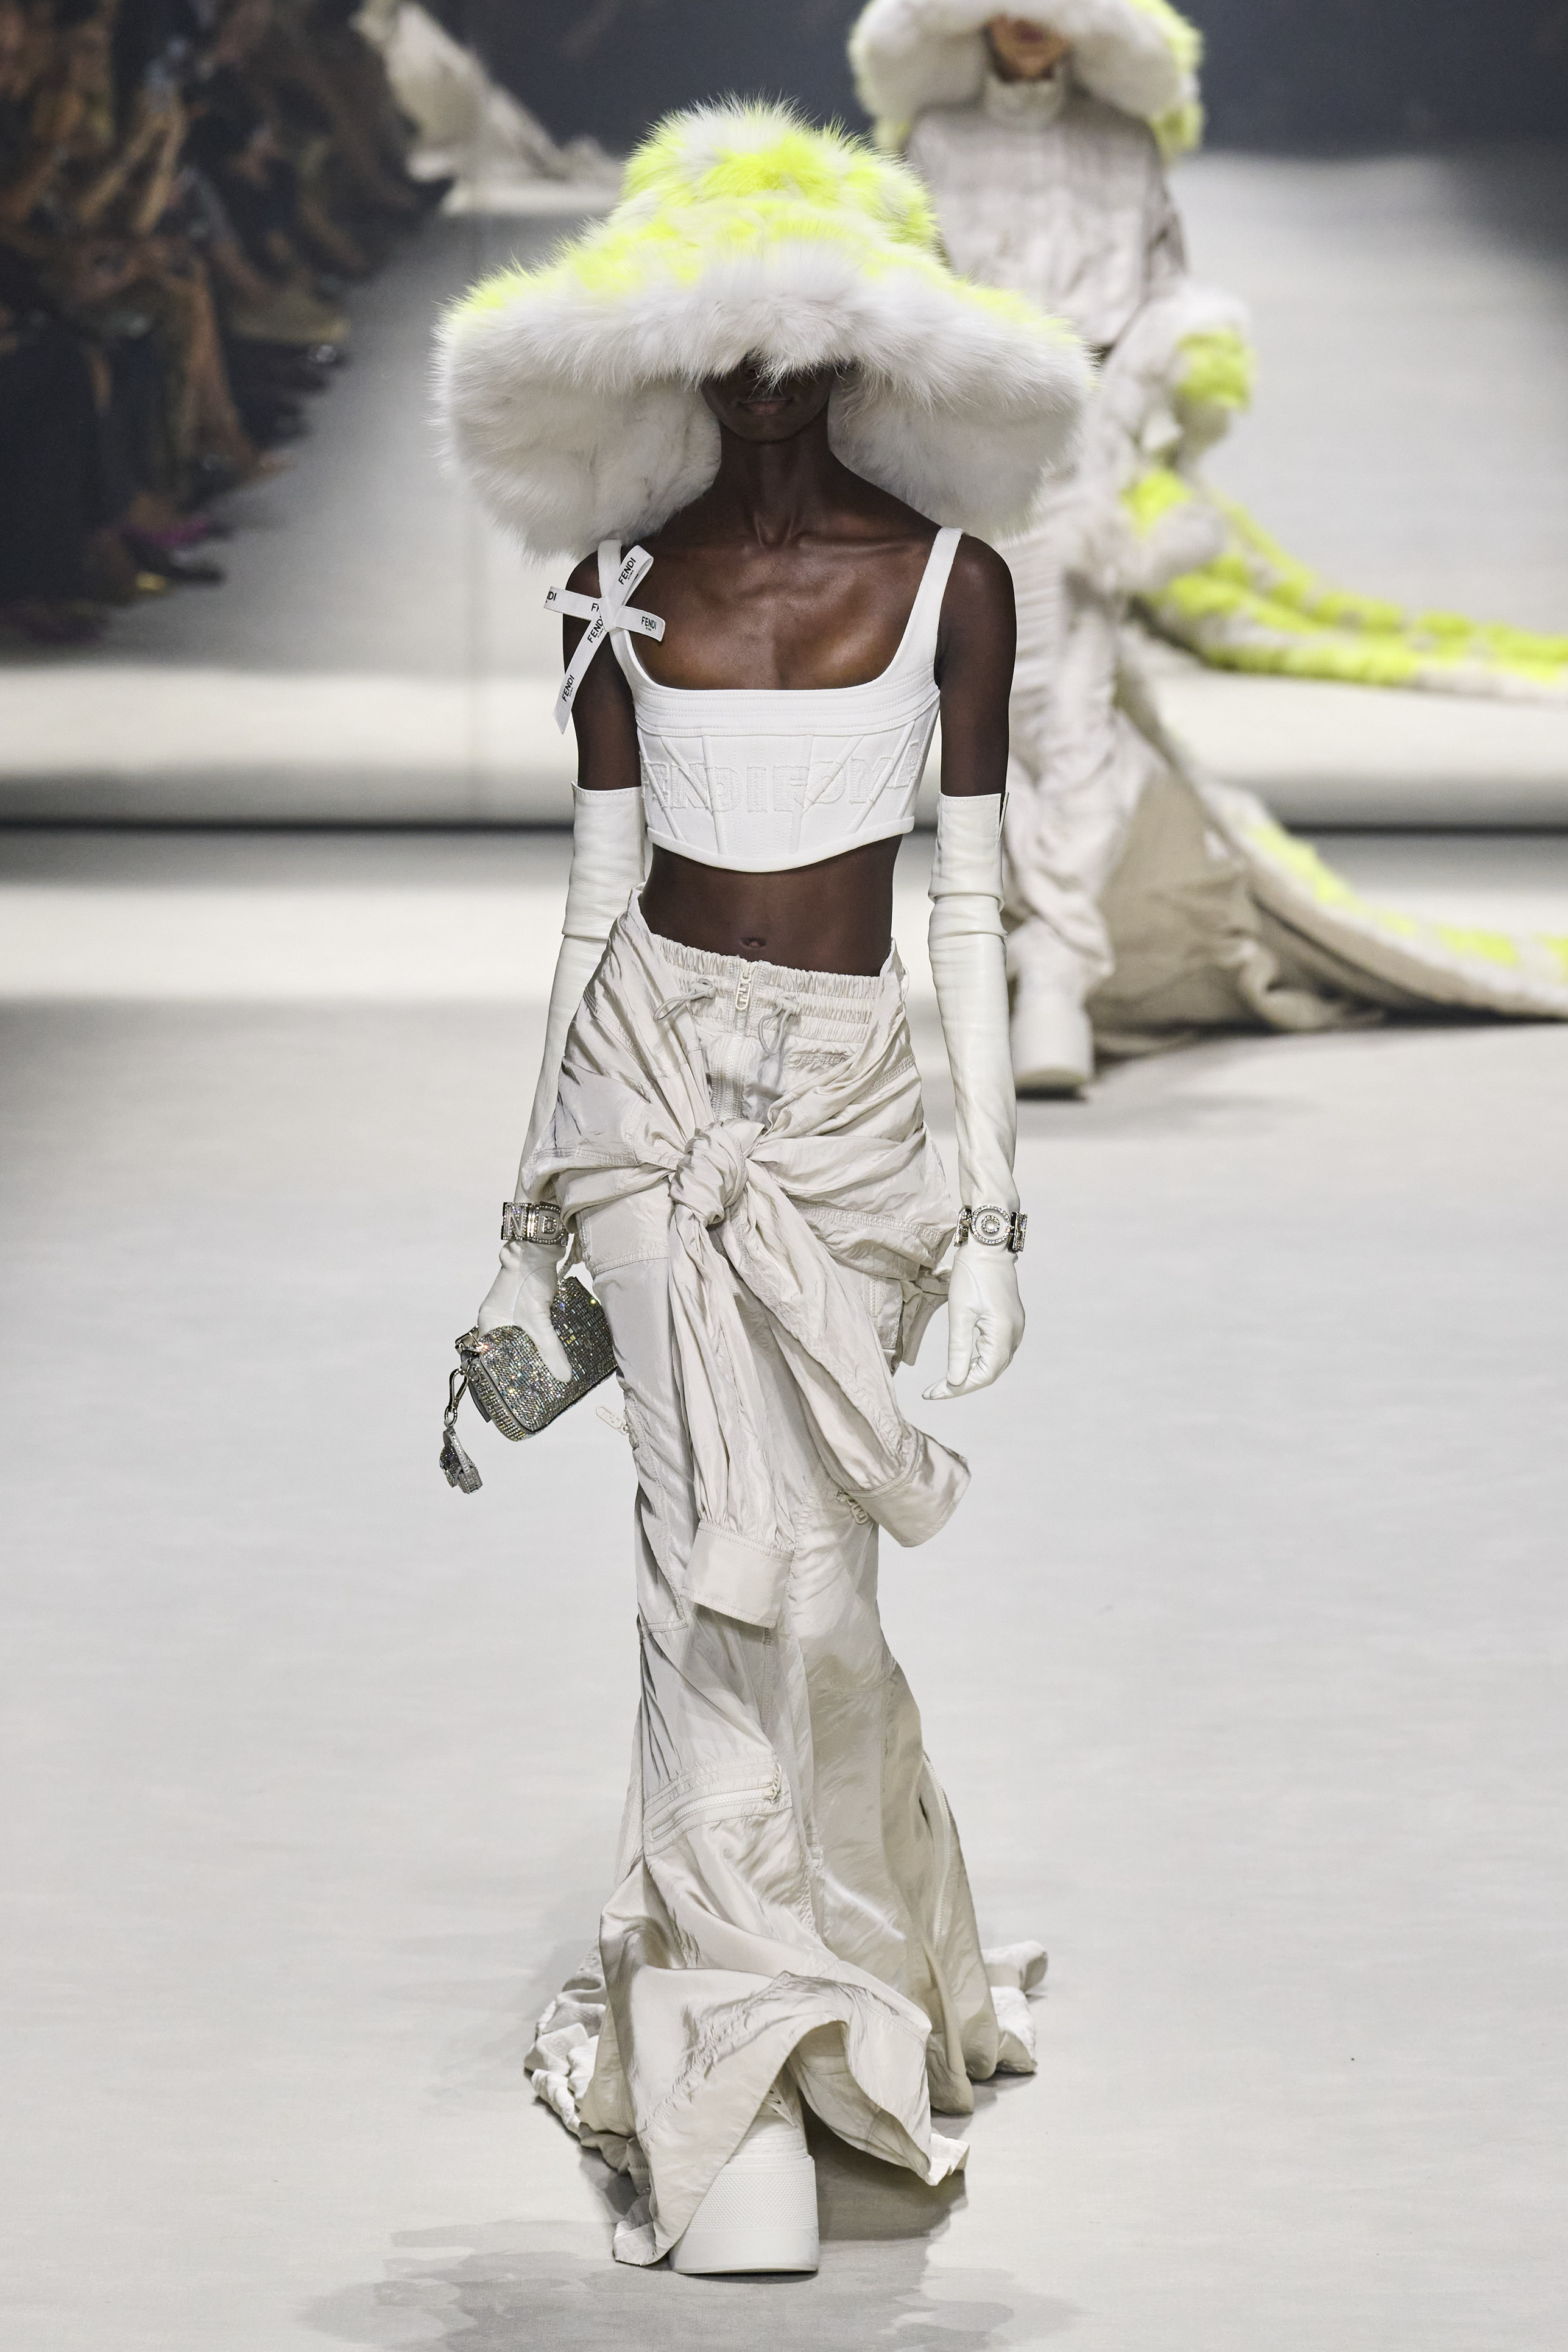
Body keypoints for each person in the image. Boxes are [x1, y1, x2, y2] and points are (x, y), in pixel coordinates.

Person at [437, 101, 1083, 2274]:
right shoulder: (610, 586)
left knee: (814, 1587)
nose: (771, 384)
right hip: (645, 1090)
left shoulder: (955, 582)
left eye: (804, 344)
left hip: (853, 1111)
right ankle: (738, 2060)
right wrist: (526, 1220)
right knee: (692, 1567)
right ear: (679, 352)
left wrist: (988, 1216)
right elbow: (590, 900)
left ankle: (844, 1962)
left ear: (862, 347)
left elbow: (969, 901)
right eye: (732, 344)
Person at [851, 3, 1568, 1089]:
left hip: (1087, 457)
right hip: (964, 461)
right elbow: (905, 300)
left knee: (1069, 711)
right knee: (991, 719)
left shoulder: (1122, 142)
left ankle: (1055, 972)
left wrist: (1154, 395)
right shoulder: (933, 142)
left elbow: (1163, 292)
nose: (1031, 25)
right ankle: (1024, 950)